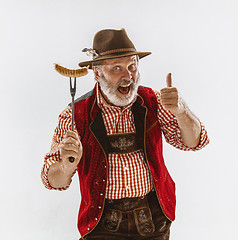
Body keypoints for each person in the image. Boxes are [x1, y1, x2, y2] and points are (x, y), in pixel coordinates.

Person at [41, 28, 209, 240]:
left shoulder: (153, 101)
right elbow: (52, 181)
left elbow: (195, 142)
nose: (128, 76)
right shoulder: (76, 115)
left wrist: (182, 112)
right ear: (96, 72)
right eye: (116, 68)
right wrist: (67, 164)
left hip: (154, 220)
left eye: (132, 66)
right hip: (102, 224)